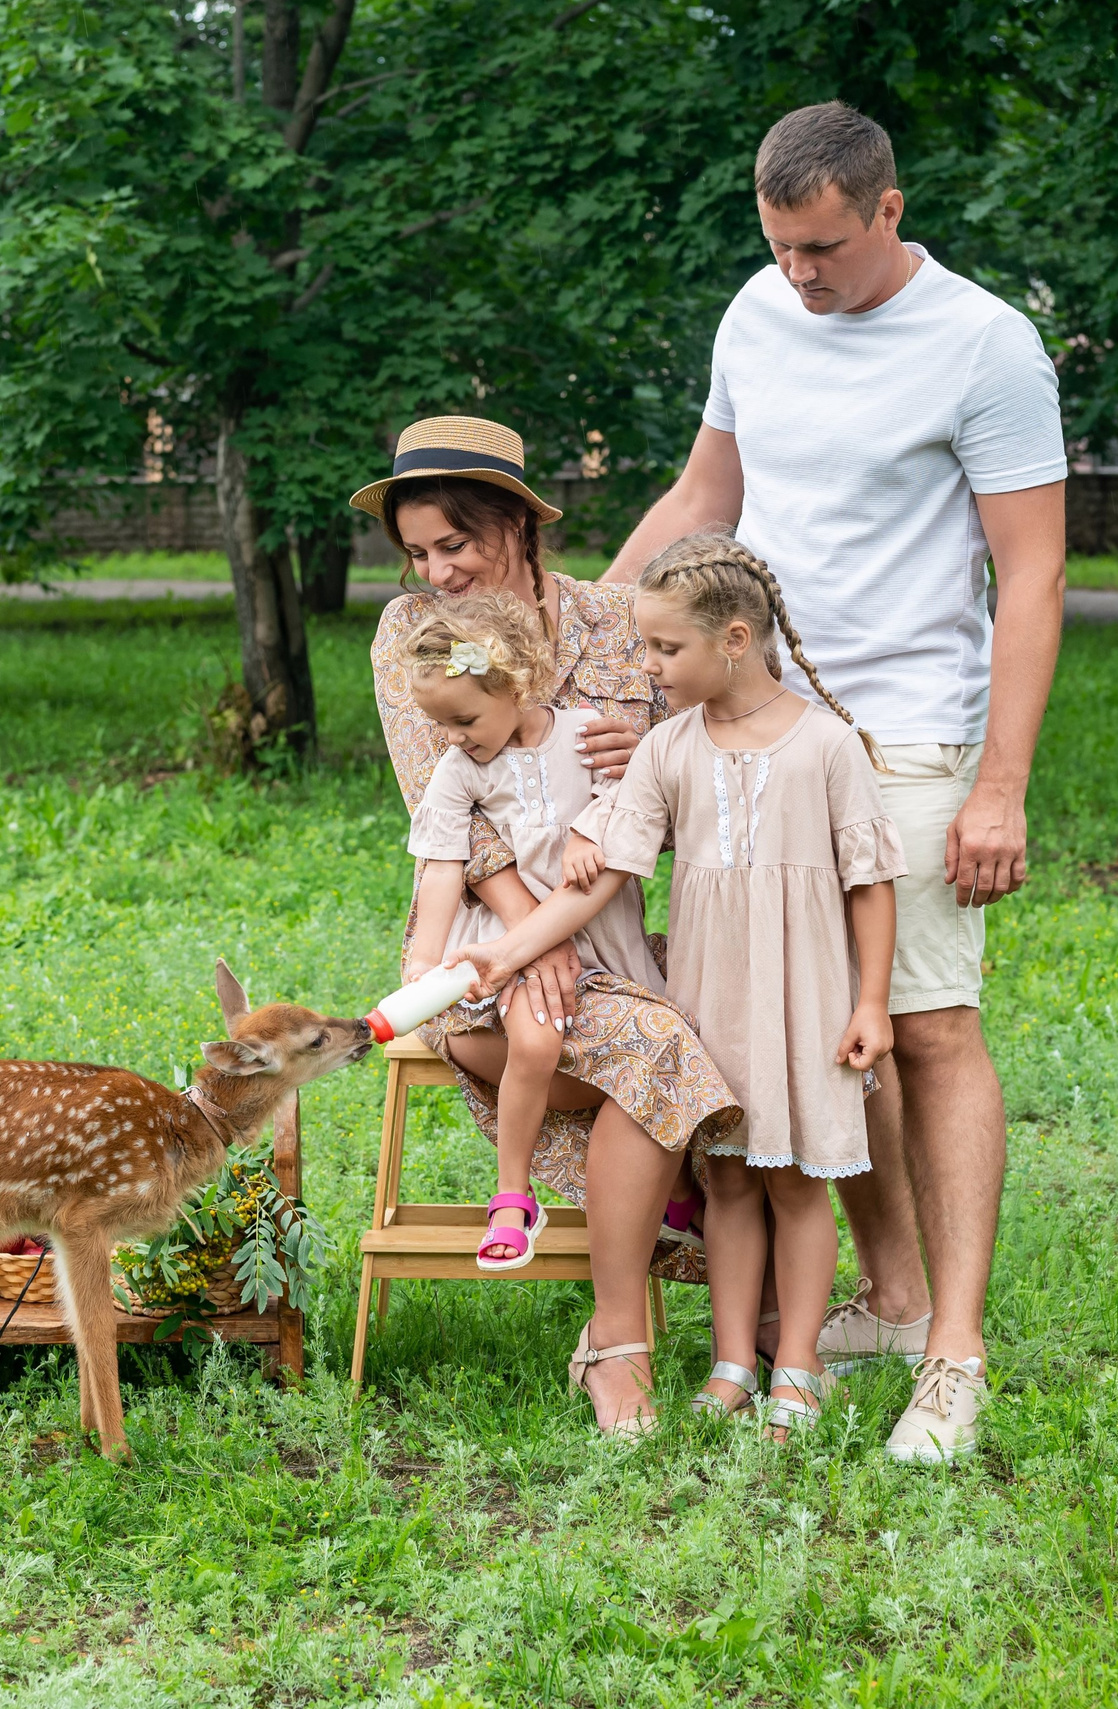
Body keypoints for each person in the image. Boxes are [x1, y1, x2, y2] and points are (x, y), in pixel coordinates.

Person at [604, 102, 1068, 1464]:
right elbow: (708, 491)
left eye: (822, 248)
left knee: (924, 1025)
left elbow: (1030, 577)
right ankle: (895, 1290)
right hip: (757, 718)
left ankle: (954, 1358)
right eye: (780, 246)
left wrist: (1002, 785)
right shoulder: (758, 310)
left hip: (907, 726)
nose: (801, 275)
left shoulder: (985, 344)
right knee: (813, 1033)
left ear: (887, 210)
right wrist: (593, 638)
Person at [455, 533, 903, 1439]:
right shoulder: (666, 749)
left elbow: (871, 880)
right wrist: (506, 954)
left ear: (734, 640)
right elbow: (603, 875)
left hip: (806, 1000)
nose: (649, 668)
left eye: (666, 650)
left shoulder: (827, 745)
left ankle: (801, 1366)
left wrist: (871, 1002)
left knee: (795, 1184)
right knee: (731, 1179)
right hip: (704, 997)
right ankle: (734, 1361)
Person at [360, 416, 738, 1433]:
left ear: (519, 525)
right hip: (481, 952)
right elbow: (443, 815)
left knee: (731, 1026)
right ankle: (620, 1342)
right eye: (418, 551)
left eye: (455, 543)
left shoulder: (621, 620)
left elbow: (701, 778)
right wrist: (534, 938)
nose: (435, 571)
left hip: (617, 936)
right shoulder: (412, 634)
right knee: (658, 1051)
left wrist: (650, 749)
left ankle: (740, 1300)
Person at [397, 590, 676, 1275]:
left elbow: (637, 793)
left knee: (669, 1040)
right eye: (441, 725)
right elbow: (441, 869)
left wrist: (592, 825)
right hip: (508, 937)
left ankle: (675, 1193)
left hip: (601, 930)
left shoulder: (585, 730)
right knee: (538, 1034)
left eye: (463, 719)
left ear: (517, 683)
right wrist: (422, 960)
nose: (454, 737)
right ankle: (513, 1195)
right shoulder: (460, 771)